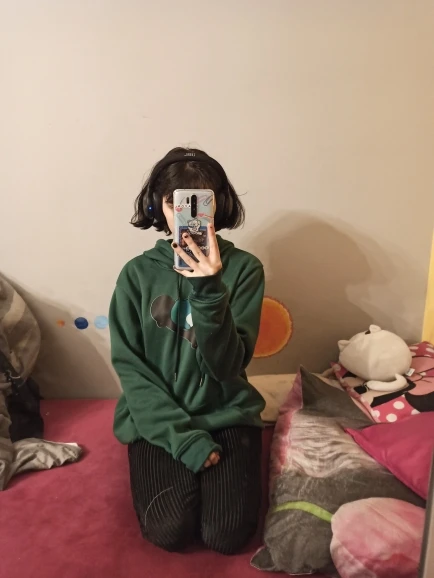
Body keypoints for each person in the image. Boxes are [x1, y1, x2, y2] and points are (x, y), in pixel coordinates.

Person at [109, 147, 265, 555]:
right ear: (157, 206)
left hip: (227, 409)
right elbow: (130, 366)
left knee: (227, 535)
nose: (191, 214)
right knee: (169, 529)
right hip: (158, 418)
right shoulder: (136, 274)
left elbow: (227, 366)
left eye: (202, 201)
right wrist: (182, 441)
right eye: (177, 202)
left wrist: (209, 288)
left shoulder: (245, 269)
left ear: (220, 205)